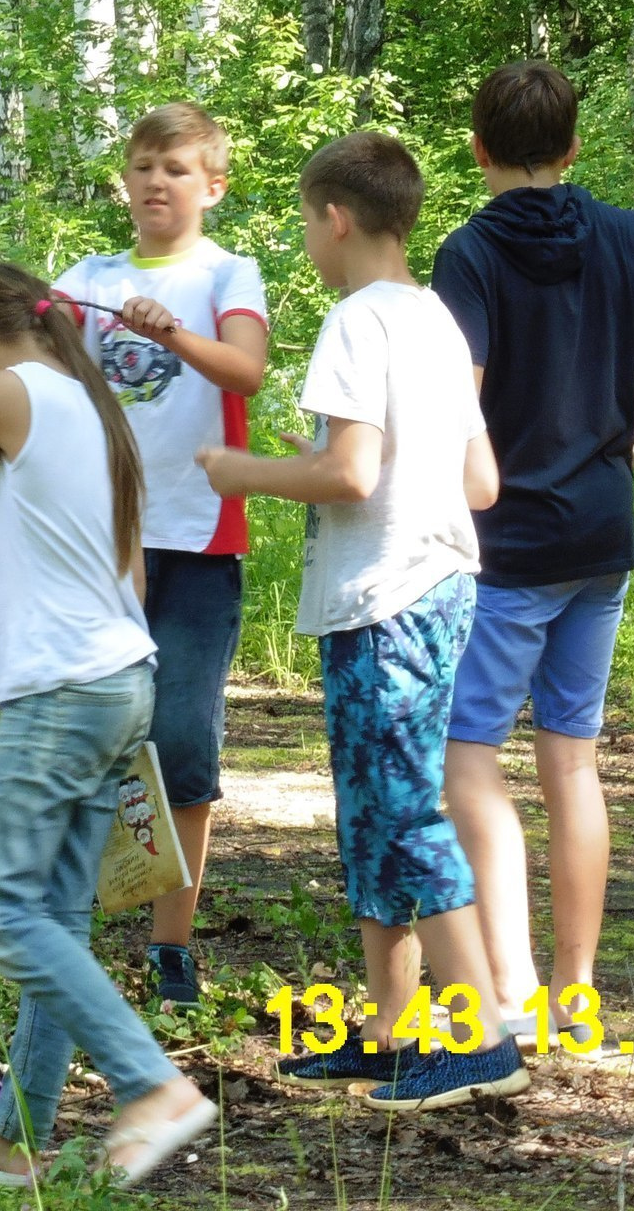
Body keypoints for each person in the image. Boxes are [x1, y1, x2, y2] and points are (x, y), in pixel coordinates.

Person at [199, 131, 531, 1113]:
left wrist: (245, 474)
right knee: (375, 814)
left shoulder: (355, 321)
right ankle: (391, 1032)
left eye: (306, 219)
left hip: (386, 599)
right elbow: (480, 479)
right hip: (434, 586)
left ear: (334, 218)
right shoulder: (435, 318)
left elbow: (349, 472)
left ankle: (477, 1040)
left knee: (402, 811)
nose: (307, 237)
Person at [432, 62, 634, 1035]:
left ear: (479, 147)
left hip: (506, 543)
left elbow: (461, 401)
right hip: (601, 536)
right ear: (574, 147)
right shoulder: (629, 236)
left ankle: (512, 987)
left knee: (467, 760)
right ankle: (576, 994)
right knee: (570, 764)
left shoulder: (468, 255)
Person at [0, 265, 216, 1190]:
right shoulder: (97, 409)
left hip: (61, 695)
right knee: (55, 917)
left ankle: (151, 1085)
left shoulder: (8, 391)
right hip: (123, 679)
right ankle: (12, 1143)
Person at [52, 101, 269, 1009]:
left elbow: (245, 370)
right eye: (142, 167)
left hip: (198, 539)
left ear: (212, 186)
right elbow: (27, 367)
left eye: (176, 169)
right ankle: (64, 926)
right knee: (84, 734)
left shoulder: (228, 272)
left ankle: (170, 946)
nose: (154, 183)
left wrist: (168, 333)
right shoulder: (88, 276)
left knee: (181, 738)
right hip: (101, 540)